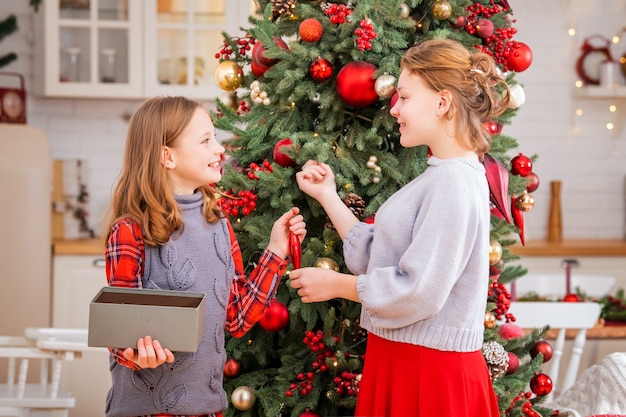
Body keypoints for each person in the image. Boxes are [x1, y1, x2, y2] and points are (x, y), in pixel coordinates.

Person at [290, 38, 510, 416]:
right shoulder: (442, 175)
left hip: (429, 374)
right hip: (408, 362)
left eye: (405, 97)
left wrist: (338, 286)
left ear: (442, 103)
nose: (394, 109)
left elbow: (420, 291)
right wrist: (328, 196)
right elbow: (381, 254)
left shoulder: (453, 182)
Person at [103, 96, 306, 417]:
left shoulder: (219, 225)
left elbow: (237, 319)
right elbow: (117, 334)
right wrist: (136, 355)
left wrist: (276, 250)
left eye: (215, 137)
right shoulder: (130, 231)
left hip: (207, 409)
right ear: (166, 156)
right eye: (205, 140)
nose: (220, 149)